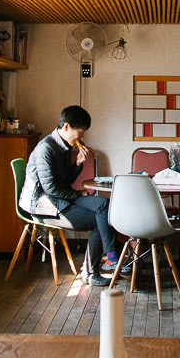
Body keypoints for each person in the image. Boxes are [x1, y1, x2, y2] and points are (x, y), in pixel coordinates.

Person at [20, 105, 121, 286]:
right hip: (43, 205)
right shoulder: (46, 149)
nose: (81, 138)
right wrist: (76, 194)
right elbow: (50, 188)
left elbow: (64, 181)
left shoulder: (64, 147)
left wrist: (78, 164)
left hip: (59, 199)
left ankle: (110, 259)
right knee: (101, 219)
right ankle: (93, 270)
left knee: (104, 205)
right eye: (80, 133)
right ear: (66, 127)